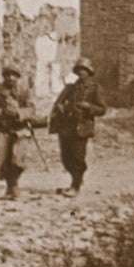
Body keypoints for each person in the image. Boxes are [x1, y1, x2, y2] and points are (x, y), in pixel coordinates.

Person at [48, 57, 107, 196]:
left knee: (78, 158)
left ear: (89, 72)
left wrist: (88, 107)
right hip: (66, 126)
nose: (81, 72)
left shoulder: (94, 89)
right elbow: (58, 104)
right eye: (79, 69)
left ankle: (75, 186)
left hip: (82, 127)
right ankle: (76, 179)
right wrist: (61, 108)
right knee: (66, 158)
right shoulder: (70, 88)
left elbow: (102, 109)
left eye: (84, 70)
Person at [0, 66, 42, 201]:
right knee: (2, 160)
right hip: (1, 130)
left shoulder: (25, 91)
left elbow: (32, 109)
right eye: (8, 75)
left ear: (18, 77)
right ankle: (10, 187)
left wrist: (18, 113)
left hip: (20, 129)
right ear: (4, 77)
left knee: (17, 159)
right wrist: (2, 113)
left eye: (14, 75)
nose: (11, 78)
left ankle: (14, 185)